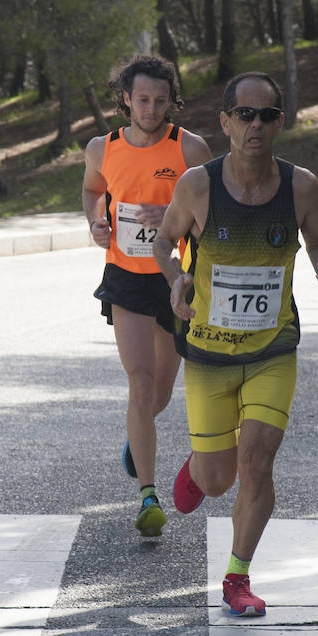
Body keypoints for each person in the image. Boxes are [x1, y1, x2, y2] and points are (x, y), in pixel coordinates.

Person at [153, 71, 318, 616]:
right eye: (244, 115)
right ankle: (197, 467)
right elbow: (165, 241)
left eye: (266, 115)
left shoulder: (301, 186)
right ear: (225, 122)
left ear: (279, 122)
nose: (255, 124)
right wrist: (176, 279)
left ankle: (238, 577)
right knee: (218, 480)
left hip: (271, 352)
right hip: (209, 354)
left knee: (257, 462)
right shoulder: (197, 185)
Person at [81, 56, 211, 537]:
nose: (151, 108)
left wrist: (171, 216)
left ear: (170, 100)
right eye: (142, 99)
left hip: (173, 278)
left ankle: (139, 435)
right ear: (126, 99)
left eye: (159, 100)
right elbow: (93, 189)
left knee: (157, 394)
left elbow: (212, 214)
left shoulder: (190, 149)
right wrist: (96, 220)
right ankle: (148, 497)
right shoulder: (102, 148)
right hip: (125, 277)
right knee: (139, 383)